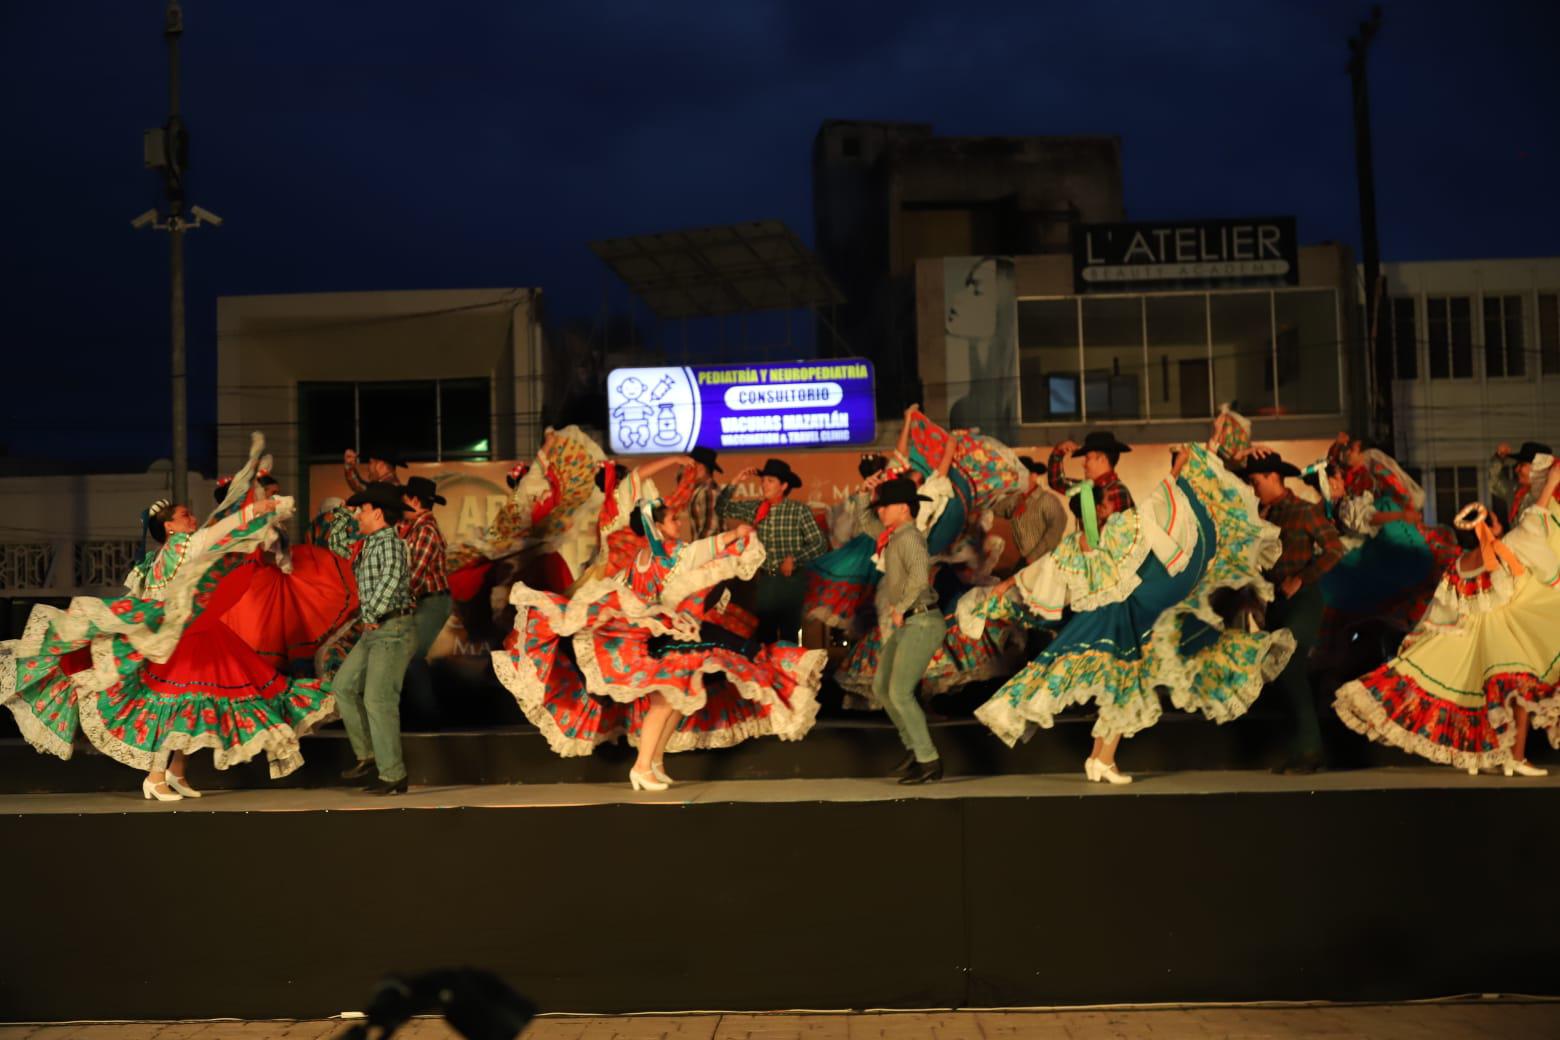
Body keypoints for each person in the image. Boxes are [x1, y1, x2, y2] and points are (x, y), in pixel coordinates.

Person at [1, 445, 334, 800]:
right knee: (167, 701)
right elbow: (220, 530)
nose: (193, 519)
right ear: (171, 527)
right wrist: (258, 508)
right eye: (186, 515)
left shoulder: (154, 560)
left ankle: (176, 772)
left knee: (188, 703)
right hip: (174, 641)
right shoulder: (184, 545)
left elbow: (148, 592)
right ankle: (155, 777)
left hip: (183, 636)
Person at [974, 443, 1294, 783]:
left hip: (1118, 615)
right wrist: (1175, 475)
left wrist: (1007, 584)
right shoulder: (1113, 529)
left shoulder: (1104, 530)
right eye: (1106, 503)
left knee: (1120, 685)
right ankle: (1103, 759)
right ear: (1098, 509)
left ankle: (1100, 758)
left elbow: (1055, 562)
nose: (1113, 504)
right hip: (1119, 617)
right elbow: (1148, 513)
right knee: (1124, 684)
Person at [491, 499, 825, 788]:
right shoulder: (665, 555)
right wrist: (734, 536)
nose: (679, 523)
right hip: (656, 639)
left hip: (665, 633)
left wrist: (733, 537)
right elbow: (701, 550)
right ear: (658, 527)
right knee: (666, 701)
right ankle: (640, 767)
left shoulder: (646, 556)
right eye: (673, 519)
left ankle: (655, 763)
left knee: (680, 697)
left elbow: (694, 555)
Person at [1334, 467, 1560, 776]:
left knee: (1505, 696)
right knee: (1515, 692)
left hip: (1481, 637)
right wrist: (1549, 485)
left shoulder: (1463, 563)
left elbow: (1443, 609)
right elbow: (1536, 530)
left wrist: (1428, 631)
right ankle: (1514, 757)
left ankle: (1506, 756)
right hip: (1499, 634)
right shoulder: (1508, 546)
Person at [1247, 451, 1346, 774]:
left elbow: (1335, 548)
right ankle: (1301, 751)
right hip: (1275, 601)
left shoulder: (1303, 512)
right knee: (1281, 674)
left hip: (1303, 599)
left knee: (1289, 666)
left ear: (1275, 478)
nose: (1254, 488)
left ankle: (1310, 751)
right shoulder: (1261, 516)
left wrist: (1302, 577)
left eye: (1257, 481)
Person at [323, 481, 416, 795]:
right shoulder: (369, 542)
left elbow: (390, 579)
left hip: (391, 629)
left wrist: (370, 615)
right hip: (377, 628)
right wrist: (344, 514)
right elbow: (335, 544)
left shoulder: (390, 542)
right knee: (343, 686)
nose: (359, 515)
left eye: (362, 510)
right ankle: (370, 757)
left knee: (379, 699)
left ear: (378, 513)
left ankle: (392, 774)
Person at [862, 478, 947, 784]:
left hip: (921, 619)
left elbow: (921, 574)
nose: (880, 512)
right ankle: (915, 748)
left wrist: (901, 606)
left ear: (902, 508)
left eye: (884, 507)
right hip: (911, 620)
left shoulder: (909, 537)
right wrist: (864, 494)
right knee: (883, 687)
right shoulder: (894, 535)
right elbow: (867, 523)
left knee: (898, 691)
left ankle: (928, 759)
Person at [716, 458, 828, 643]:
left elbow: (819, 543)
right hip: (766, 580)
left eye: (770, 481)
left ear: (783, 486)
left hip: (792, 581)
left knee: (789, 636)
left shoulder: (798, 511)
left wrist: (795, 558)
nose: (763, 485)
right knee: (764, 636)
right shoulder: (757, 508)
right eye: (763, 480)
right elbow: (722, 508)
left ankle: (788, 670)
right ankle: (768, 671)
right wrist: (736, 480)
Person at [399, 476, 452, 725]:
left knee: (411, 654)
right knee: (408, 654)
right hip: (425, 600)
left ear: (414, 501)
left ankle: (427, 715)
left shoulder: (425, 531)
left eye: (405, 499)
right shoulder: (416, 529)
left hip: (432, 601)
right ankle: (422, 712)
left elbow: (414, 577)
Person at [1048, 431, 1135, 528]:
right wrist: (1058, 452)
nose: (1084, 464)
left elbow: (1121, 535)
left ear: (1102, 459)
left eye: (1088, 458)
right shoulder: (1087, 487)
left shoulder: (1117, 491)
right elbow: (1056, 482)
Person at [685, 446, 724, 541]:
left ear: (701, 468)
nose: (688, 469)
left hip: (710, 552)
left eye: (693, 465)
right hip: (705, 550)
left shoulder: (709, 490)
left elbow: (711, 528)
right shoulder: (700, 490)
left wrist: (697, 550)